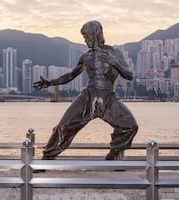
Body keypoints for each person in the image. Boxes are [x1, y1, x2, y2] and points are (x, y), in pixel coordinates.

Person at [34, 21, 138, 160]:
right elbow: (70, 75)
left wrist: (114, 62)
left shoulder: (114, 52)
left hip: (108, 97)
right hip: (88, 96)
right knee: (63, 126)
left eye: (87, 37)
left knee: (130, 126)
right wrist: (50, 82)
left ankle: (113, 155)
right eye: (84, 38)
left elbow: (129, 75)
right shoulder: (85, 57)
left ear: (96, 35)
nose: (85, 41)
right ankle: (47, 157)